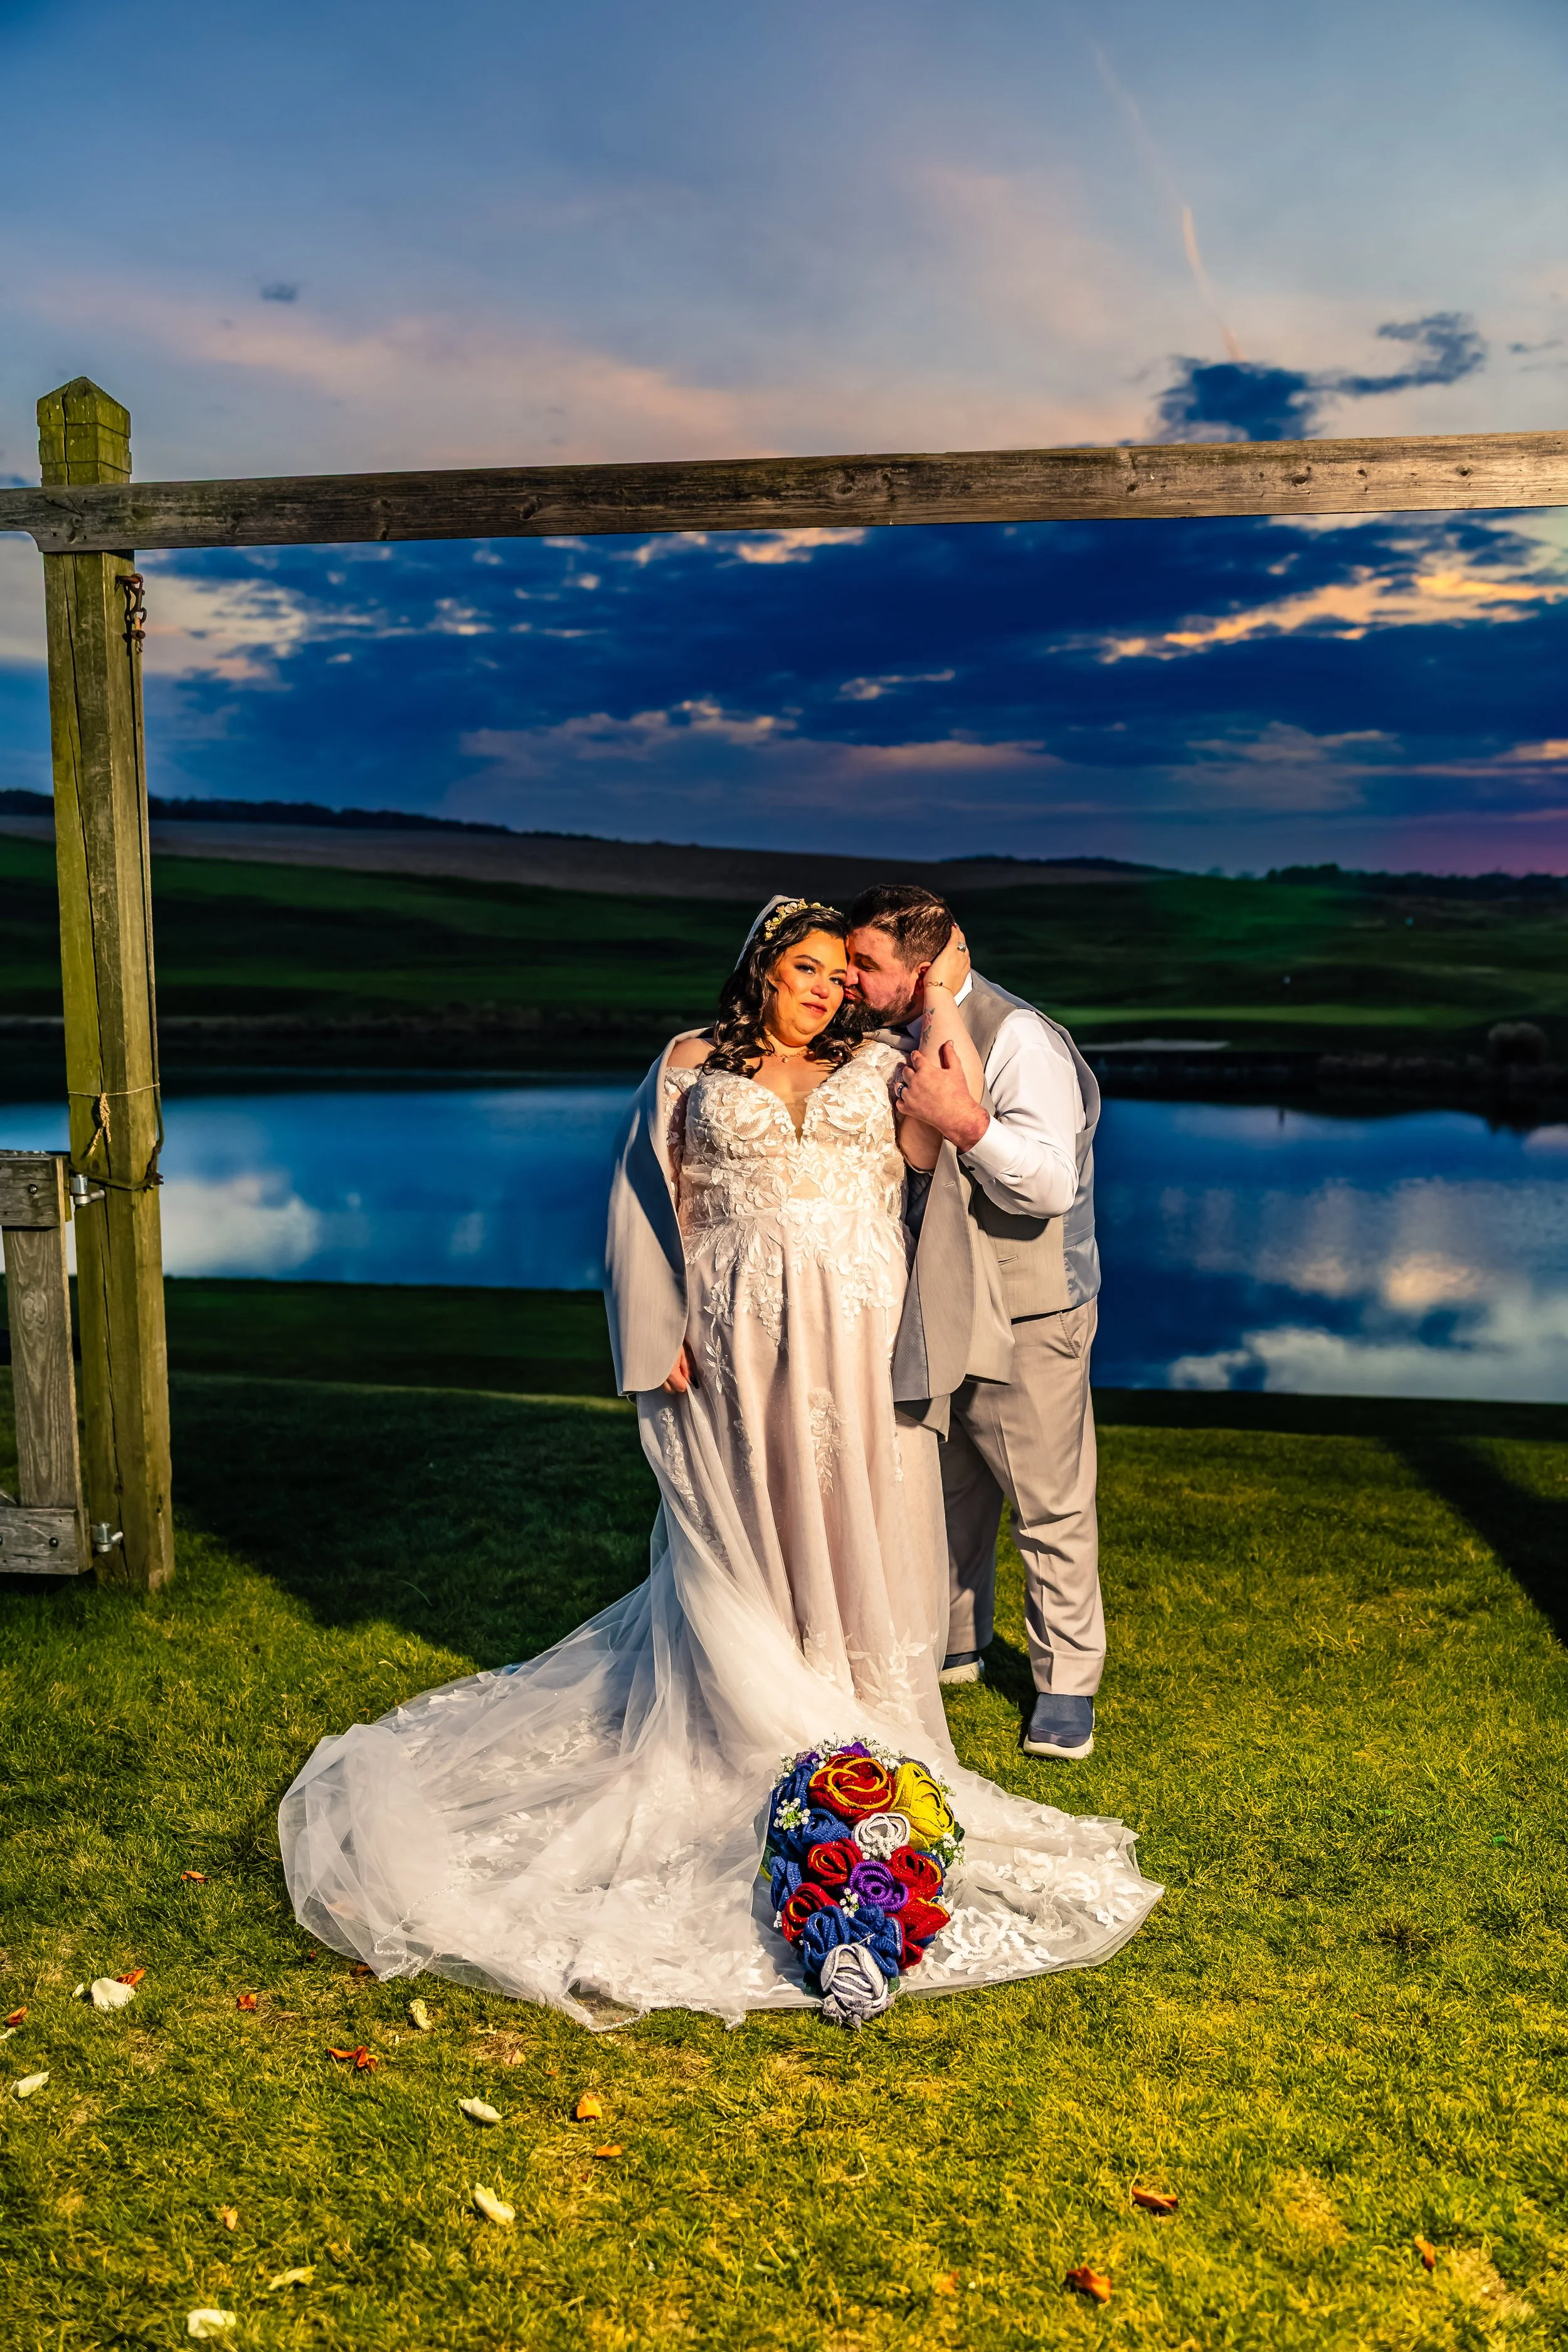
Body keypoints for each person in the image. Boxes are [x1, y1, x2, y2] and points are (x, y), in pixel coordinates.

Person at [277, 896, 1157, 2028]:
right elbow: (651, 1207)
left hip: (857, 1325)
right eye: (809, 966)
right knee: (749, 1517)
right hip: (741, 1330)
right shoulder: (690, 1064)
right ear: (759, 967)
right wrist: (661, 1331)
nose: (831, 987)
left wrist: (939, 992)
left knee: (862, 1516)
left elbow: (956, 1117)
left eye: (846, 972)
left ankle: (854, 1706)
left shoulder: (889, 1060)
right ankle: (751, 1697)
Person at [843, 884, 1104, 1762]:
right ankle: (957, 1640)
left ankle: (1067, 1682)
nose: (851, 978)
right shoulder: (880, 1035)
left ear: (922, 970)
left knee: (1046, 1497)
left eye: (867, 964)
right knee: (945, 1481)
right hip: (929, 1299)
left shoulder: (1018, 1036)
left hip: (1026, 1301)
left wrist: (966, 1125)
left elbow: (1049, 1183)